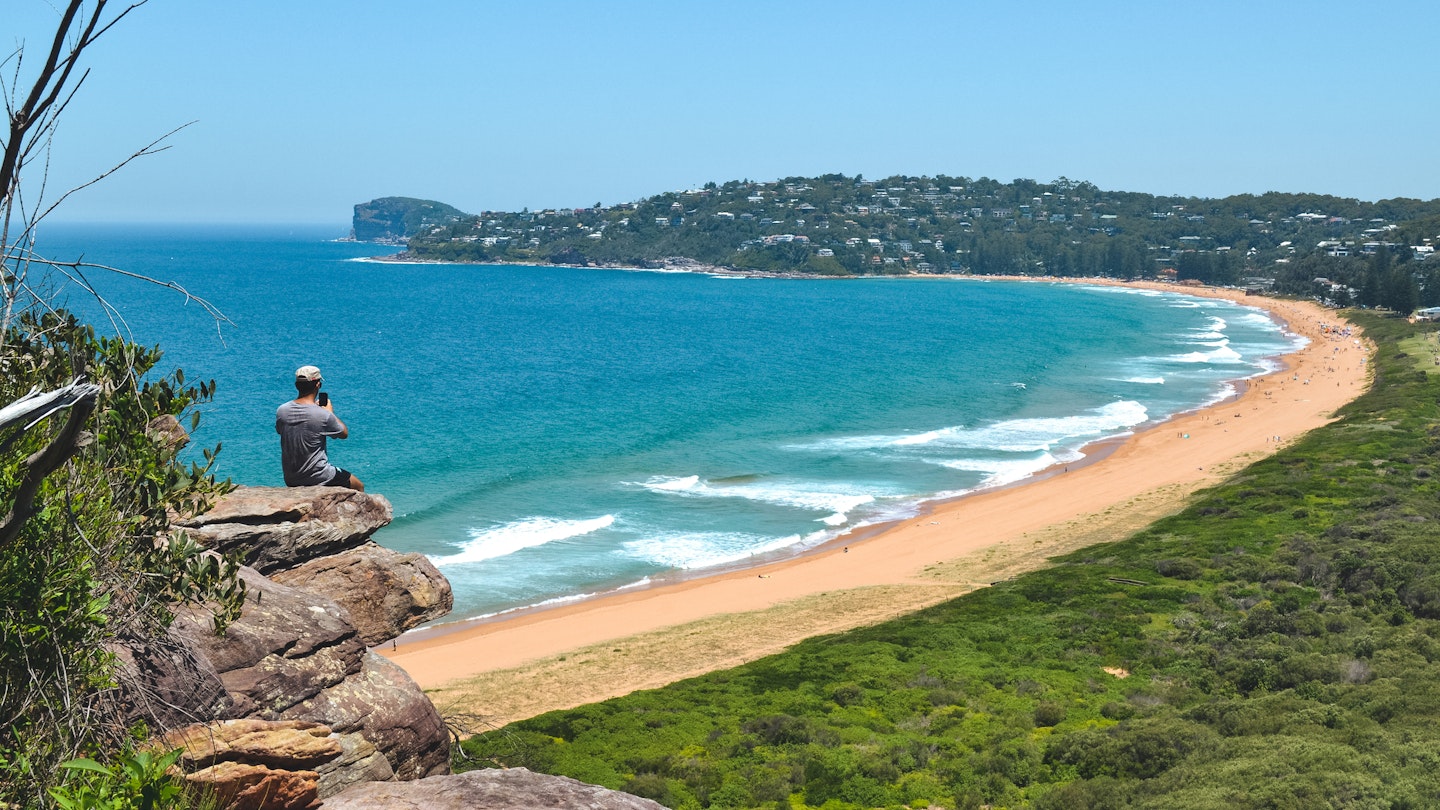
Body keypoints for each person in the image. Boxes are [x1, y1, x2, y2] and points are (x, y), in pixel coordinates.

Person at [276, 365, 364, 491]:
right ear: (318, 385)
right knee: (358, 486)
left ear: (297, 385)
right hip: (319, 476)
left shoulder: (282, 410)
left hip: (291, 478)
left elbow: (280, 431)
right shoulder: (323, 415)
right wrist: (330, 412)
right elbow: (344, 433)